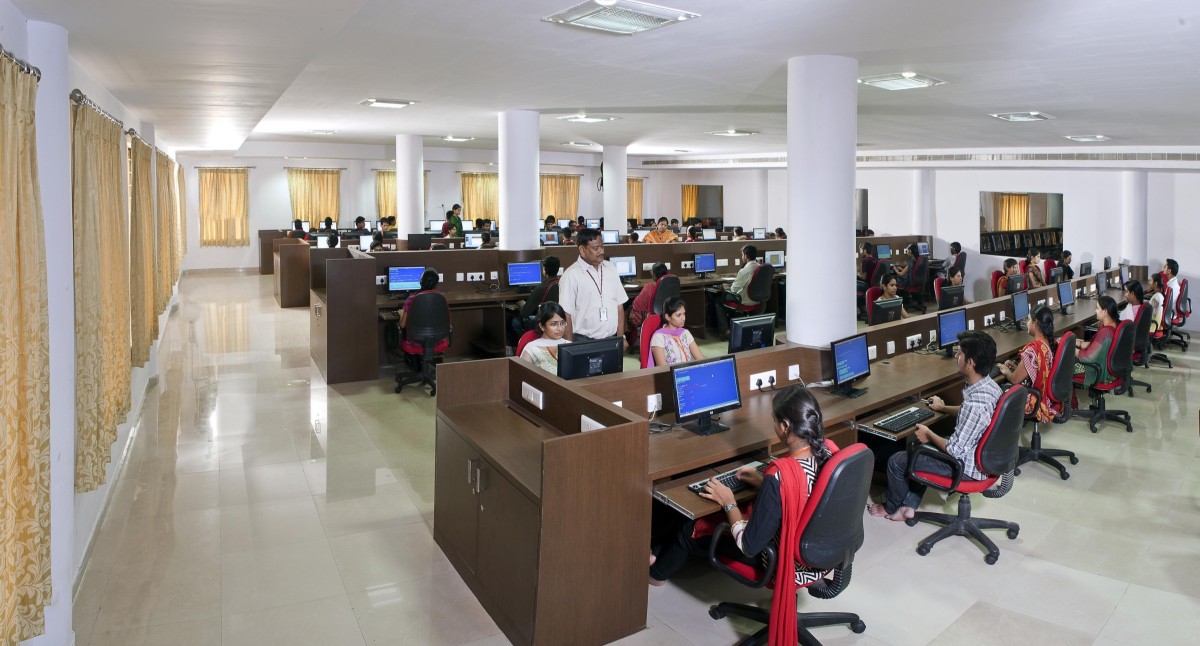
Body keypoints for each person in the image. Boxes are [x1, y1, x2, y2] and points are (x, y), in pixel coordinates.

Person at [650, 386, 839, 645]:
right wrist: (764, 482)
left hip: (784, 563)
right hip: (822, 552)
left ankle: (656, 574)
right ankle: (656, 553)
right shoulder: (827, 453)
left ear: (785, 426)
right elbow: (807, 495)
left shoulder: (781, 475)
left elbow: (749, 545)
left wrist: (728, 502)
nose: (773, 425)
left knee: (692, 527)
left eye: (774, 420)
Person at [869, 330, 1002, 521]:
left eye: (959, 354)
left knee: (897, 461)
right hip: (985, 458)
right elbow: (971, 415)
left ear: (970, 363)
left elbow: (954, 451)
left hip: (967, 468)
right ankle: (909, 506)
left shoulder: (974, 405)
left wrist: (929, 434)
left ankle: (891, 507)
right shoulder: (990, 387)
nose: (956, 357)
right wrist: (943, 408)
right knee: (920, 448)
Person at [559, 228, 628, 345]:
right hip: (584, 341)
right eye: (596, 248)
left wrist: (621, 337)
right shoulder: (571, 275)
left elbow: (619, 305)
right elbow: (566, 314)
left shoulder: (610, 268)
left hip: (612, 339)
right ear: (582, 249)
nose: (601, 251)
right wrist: (569, 347)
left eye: (602, 247)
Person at [998, 305, 1058, 422]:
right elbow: (1038, 368)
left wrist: (1007, 371)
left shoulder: (1032, 350)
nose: (1027, 323)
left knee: (999, 391)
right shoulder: (1048, 342)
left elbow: (1014, 380)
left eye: (1029, 319)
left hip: (1034, 402)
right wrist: (1018, 367)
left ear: (1036, 323)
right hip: (1046, 397)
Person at [397, 269, 449, 355]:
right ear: (436, 284)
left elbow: (402, 325)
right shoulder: (441, 298)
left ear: (421, 282)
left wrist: (401, 314)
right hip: (436, 341)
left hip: (414, 343)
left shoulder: (411, 299)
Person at [715, 245, 762, 339]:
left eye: (742, 255)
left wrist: (726, 287)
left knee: (718, 300)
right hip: (758, 300)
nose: (742, 257)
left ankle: (725, 331)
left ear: (746, 256)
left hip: (744, 300)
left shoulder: (745, 270)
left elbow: (733, 290)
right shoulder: (760, 267)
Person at [1074, 296, 1119, 388]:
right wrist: (1078, 343)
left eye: (1097, 308)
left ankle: (1068, 397)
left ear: (1105, 311)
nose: (1095, 311)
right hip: (1106, 367)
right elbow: (1096, 345)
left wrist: (1069, 348)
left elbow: (1087, 357)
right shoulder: (1113, 325)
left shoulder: (1105, 332)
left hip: (1097, 371)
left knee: (1063, 366)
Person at [512, 256, 561, 338]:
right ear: (558, 269)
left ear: (544, 270)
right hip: (559, 321)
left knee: (515, 322)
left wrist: (522, 305)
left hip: (545, 322)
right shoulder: (562, 284)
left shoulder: (541, 288)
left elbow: (525, 313)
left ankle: (526, 342)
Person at [649, 297, 703, 367]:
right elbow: (662, 368)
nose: (683, 318)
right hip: (670, 373)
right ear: (667, 317)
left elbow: (700, 359)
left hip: (687, 371)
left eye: (684, 314)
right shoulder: (659, 337)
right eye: (678, 315)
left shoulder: (685, 333)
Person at [519, 302, 569, 374]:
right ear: (542, 326)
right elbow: (522, 375)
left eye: (562, 323)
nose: (560, 328)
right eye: (554, 324)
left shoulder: (569, 345)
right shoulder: (532, 348)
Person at [627, 263, 668, 348]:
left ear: (654, 274)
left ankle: (627, 338)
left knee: (628, 307)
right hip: (664, 316)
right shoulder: (669, 286)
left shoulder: (649, 287)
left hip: (649, 317)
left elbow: (636, 304)